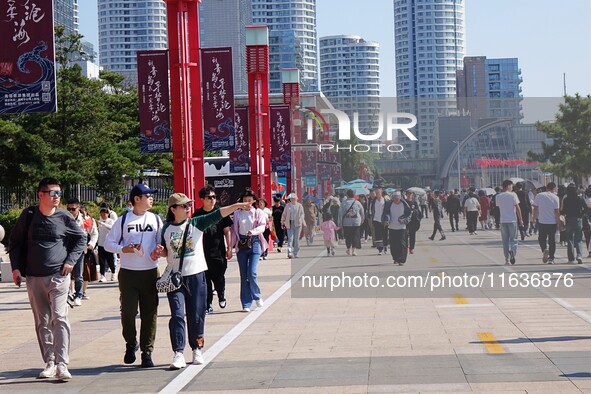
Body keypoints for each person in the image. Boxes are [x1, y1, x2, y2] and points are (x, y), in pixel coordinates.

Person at [156, 193, 251, 369]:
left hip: (196, 275)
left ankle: (197, 348)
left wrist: (237, 205)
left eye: (188, 205)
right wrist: (159, 251)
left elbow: (219, 214)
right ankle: (178, 352)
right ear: (173, 209)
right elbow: (165, 251)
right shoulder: (166, 228)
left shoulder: (196, 223)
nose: (187, 208)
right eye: (183, 206)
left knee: (196, 314)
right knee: (177, 315)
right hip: (175, 278)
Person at [9, 177, 86, 380]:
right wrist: (16, 269)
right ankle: (50, 362)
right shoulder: (29, 215)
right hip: (34, 278)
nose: (57, 197)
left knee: (59, 318)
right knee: (42, 321)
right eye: (53, 193)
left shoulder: (65, 217)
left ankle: (62, 364)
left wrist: (70, 260)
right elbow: (15, 242)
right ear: (41, 195)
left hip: (58, 277)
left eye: (59, 193)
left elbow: (81, 238)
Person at [104, 183, 163, 368]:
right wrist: (124, 249)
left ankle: (147, 351)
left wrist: (159, 251)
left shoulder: (156, 219)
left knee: (150, 313)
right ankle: (131, 343)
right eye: (147, 195)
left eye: (151, 195)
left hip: (150, 272)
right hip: (128, 273)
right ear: (137, 199)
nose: (151, 198)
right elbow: (108, 244)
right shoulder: (123, 220)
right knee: (128, 312)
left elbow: (163, 243)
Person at [193, 186, 233, 314]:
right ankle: (208, 303)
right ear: (202, 199)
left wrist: (229, 248)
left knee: (219, 277)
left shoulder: (220, 212)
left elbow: (227, 231)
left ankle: (221, 295)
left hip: (219, 252)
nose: (212, 200)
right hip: (202, 253)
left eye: (214, 197)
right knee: (206, 280)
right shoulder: (197, 215)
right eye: (209, 197)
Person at [231, 188, 268, 312]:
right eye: (245, 200)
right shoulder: (237, 214)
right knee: (243, 275)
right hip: (241, 244)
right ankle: (246, 303)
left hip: (254, 242)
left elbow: (262, 226)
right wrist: (230, 247)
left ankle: (257, 296)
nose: (247, 203)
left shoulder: (258, 213)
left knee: (252, 272)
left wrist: (253, 231)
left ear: (254, 201)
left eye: (249, 200)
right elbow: (233, 231)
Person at [66, 198, 98, 306]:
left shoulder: (86, 220)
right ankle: (66, 294)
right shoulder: (64, 218)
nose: (70, 211)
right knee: (65, 274)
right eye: (68, 209)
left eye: (73, 209)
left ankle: (78, 295)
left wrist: (91, 244)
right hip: (65, 250)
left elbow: (94, 233)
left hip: (79, 250)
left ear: (78, 208)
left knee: (78, 274)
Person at [496, 180, 523, 265]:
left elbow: (498, 207)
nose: (512, 188)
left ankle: (507, 259)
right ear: (508, 186)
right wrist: (521, 219)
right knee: (514, 239)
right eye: (511, 186)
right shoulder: (513, 195)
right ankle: (513, 252)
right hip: (512, 220)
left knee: (505, 241)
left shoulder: (498, 196)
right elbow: (518, 208)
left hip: (503, 220)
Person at [532, 182, 560, 264]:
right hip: (552, 222)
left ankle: (544, 249)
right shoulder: (555, 197)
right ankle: (551, 258)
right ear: (554, 188)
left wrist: (533, 219)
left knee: (541, 238)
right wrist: (558, 222)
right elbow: (557, 211)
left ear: (546, 187)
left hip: (542, 221)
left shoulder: (539, 195)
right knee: (552, 241)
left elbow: (535, 208)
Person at [382, 191, 412, 265]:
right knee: (393, 244)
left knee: (402, 244)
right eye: (394, 198)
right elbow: (385, 213)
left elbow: (409, 214)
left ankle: (402, 260)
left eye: (397, 198)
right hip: (392, 226)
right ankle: (395, 258)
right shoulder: (389, 204)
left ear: (400, 198)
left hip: (402, 227)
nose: (396, 200)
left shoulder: (404, 205)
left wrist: (405, 220)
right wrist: (385, 221)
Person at [561, 184, 586, 264]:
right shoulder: (580, 199)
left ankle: (571, 258)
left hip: (569, 219)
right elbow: (586, 208)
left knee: (570, 239)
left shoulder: (566, 199)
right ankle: (579, 255)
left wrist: (562, 215)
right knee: (578, 239)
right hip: (578, 219)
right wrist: (581, 214)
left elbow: (563, 211)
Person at [338, 189, 365, 256]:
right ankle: (354, 250)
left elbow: (340, 213)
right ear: (354, 195)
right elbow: (362, 212)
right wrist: (362, 220)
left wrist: (340, 223)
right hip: (356, 222)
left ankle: (349, 249)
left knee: (348, 236)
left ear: (347, 195)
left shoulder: (344, 203)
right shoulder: (357, 202)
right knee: (355, 236)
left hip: (346, 222)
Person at [281, 193, 305, 259]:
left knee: (296, 239)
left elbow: (302, 214)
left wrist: (302, 220)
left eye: (293, 199)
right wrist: (282, 222)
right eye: (291, 199)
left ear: (296, 199)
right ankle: (290, 253)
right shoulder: (287, 206)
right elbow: (284, 214)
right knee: (290, 239)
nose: (292, 200)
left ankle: (296, 253)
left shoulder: (299, 206)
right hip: (289, 223)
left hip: (297, 223)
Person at [97, 208, 116, 282]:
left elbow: (111, 228)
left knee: (110, 259)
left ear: (108, 214)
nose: (103, 215)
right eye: (101, 214)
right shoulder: (100, 221)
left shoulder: (111, 221)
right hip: (101, 243)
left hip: (109, 244)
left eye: (104, 214)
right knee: (101, 260)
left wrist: (103, 224)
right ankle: (102, 275)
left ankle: (113, 273)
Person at [368, 186, 387, 255]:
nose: (377, 193)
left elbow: (387, 211)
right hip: (376, 220)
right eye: (376, 192)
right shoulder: (373, 201)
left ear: (381, 192)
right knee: (378, 234)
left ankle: (385, 246)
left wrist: (387, 220)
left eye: (378, 192)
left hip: (383, 220)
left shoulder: (385, 200)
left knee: (384, 234)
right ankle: (380, 249)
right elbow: (371, 210)